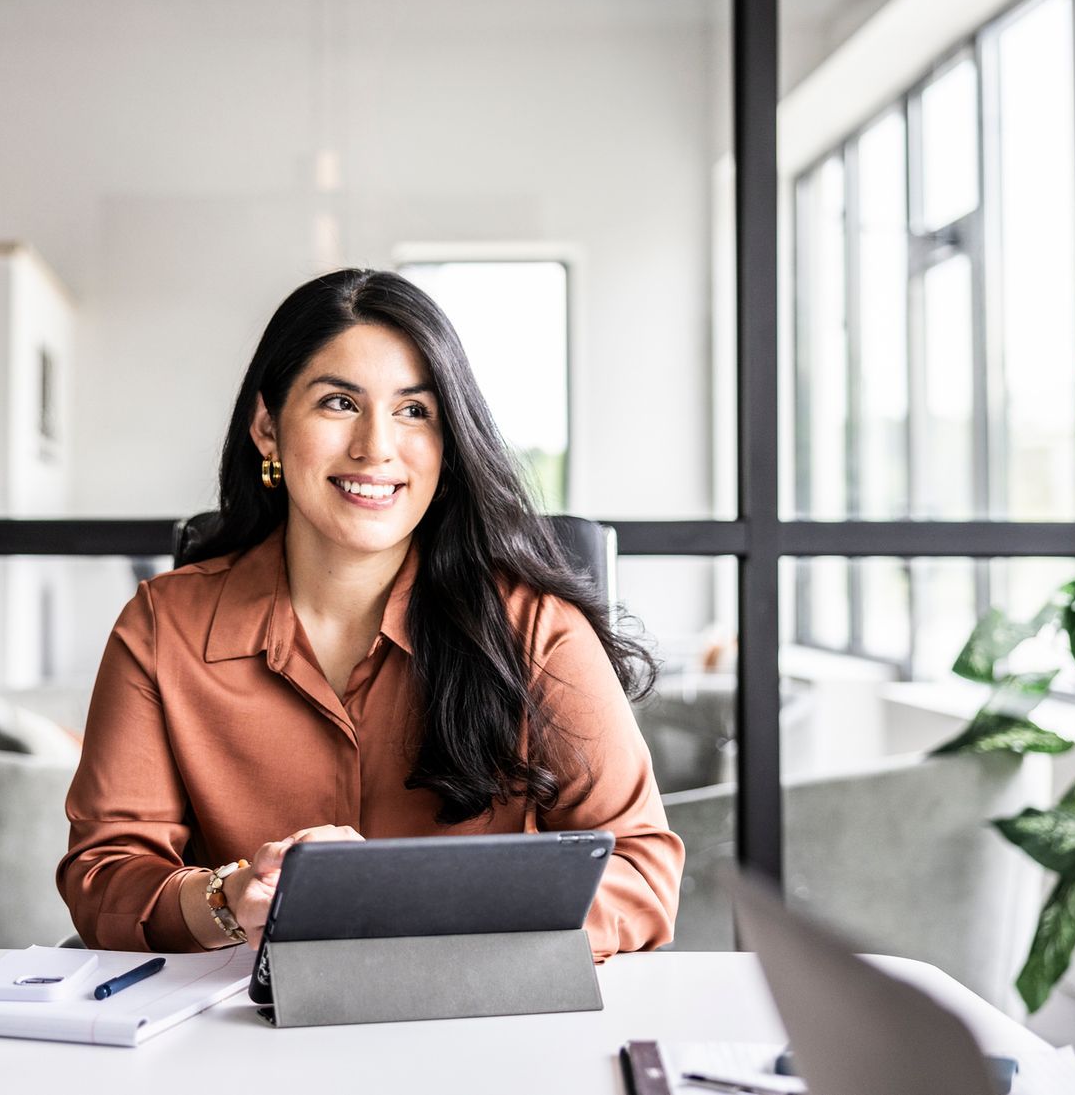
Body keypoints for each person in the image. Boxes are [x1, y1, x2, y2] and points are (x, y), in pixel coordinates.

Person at [58, 269, 684, 959]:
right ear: (267, 427)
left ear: (448, 445)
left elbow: (640, 871)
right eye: (337, 402)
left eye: (414, 411)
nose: (376, 446)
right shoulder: (161, 626)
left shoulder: (535, 629)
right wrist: (229, 899)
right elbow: (104, 874)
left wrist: (418, 903)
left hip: (477, 1023)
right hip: (240, 1033)